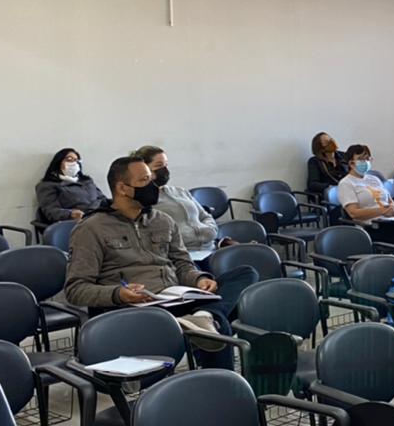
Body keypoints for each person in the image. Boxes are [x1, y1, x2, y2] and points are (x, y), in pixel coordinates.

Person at [64, 157, 256, 368]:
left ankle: (204, 317)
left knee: (246, 274)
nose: (153, 186)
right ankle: (215, 364)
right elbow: (76, 290)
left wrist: (199, 279)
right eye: (145, 180)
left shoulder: (163, 221)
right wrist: (118, 294)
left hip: (175, 298)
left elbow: (183, 264)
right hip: (135, 307)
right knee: (221, 327)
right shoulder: (91, 228)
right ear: (123, 188)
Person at [131, 145, 219, 253]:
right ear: (143, 168)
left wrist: (209, 230)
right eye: (159, 165)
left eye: (166, 165)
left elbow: (205, 216)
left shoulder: (180, 191)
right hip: (181, 254)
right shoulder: (142, 200)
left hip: (210, 248)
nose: (165, 169)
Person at [336, 143, 394, 249]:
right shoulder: (346, 183)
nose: (366, 162)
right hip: (372, 226)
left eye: (368, 159)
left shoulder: (374, 179)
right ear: (351, 163)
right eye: (361, 159)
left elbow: (391, 201)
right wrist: (381, 211)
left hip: (391, 221)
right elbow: (354, 213)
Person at [35, 147, 107, 224]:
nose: (74, 163)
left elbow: (103, 199)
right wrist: (70, 214)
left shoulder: (86, 181)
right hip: (74, 223)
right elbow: (51, 211)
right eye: (69, 160)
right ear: (58, 163)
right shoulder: (48, 185)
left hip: (98, 217)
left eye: (76, 160)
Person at [307, 132, 347, 200]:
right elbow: (312, 184)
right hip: (331, 196)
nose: (331, 142)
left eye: (331, 139)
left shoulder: (343, 156)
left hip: (347, 192)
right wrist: (331, 187)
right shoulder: (314, 161)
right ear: (320, 147)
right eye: (327, 142)